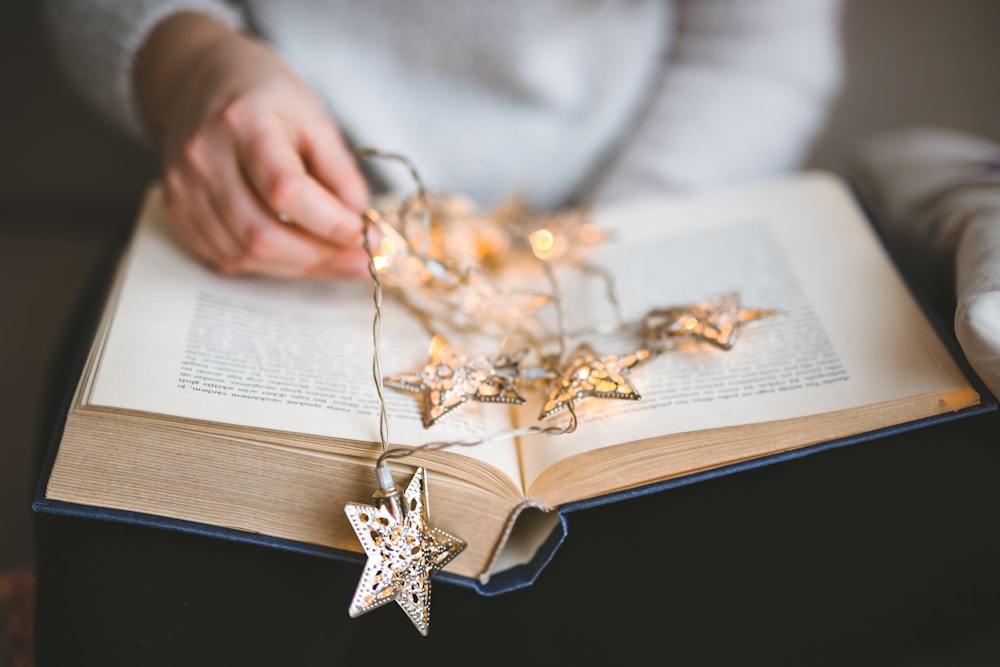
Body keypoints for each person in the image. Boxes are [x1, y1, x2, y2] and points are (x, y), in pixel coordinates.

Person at [43, 0, 844, 280]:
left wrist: (612, 235)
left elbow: (760, 53)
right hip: (266, 224)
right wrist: (191, 63)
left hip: (612, 227)